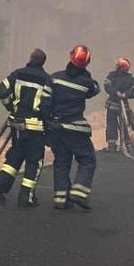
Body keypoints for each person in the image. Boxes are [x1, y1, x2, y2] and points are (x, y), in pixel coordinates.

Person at [0, 48, 54, 207]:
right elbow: (47, 105)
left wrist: (10, 106)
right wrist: (50, 127)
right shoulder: (47, 80)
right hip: (36, 127)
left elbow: (2, 89)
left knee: (15, 156)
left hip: (17, 124)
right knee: (34, 160)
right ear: (43, 62)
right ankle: (26, 196)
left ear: (30, 58)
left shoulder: (17, 73)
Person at [47, 45, 101, 210]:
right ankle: (79, 193)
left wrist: (48, 123)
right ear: (87, 63)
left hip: (55, 128)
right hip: (75, 128)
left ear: (70, 57)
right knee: (87, 160)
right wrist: (86, 74)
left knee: (61, 162)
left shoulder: (54, 78)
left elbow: (44, 102)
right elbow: (94, 90)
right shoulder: (86, 82)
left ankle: (61, 199)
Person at [103, 57, 134, 152]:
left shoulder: (129, 78)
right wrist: (116, 93)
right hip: (113, 103)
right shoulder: (111, 76)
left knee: (126, 123)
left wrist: (125, 94)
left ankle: (128, 143)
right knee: (112, 124)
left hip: (124, 104)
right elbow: (107, 86)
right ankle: (112, 144)